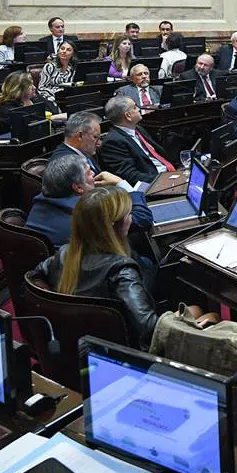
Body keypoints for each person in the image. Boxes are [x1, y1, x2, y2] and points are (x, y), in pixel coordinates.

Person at [32, 187, 166, 345]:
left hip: (75, 344)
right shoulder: (122, 271)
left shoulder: (64, 254)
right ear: (115, 226)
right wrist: (175, 319)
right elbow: (149, 330)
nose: (131, 219)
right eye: (129, 215)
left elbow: (34, 277)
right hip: (124, 356)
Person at [27, 151, 152, 249]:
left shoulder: (39, 201)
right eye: (88, 172)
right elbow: (142, 218)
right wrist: (121, 183)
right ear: (78, 187)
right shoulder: (89, 211)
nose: (93, 174)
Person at [99, 96, 174, 187]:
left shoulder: (138, 128)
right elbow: (130, 176)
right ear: (128, 116)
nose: (139, 109)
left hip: (168, 173)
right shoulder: (113, 142)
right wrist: (163, 180)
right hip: (154, 183)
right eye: (135, 107)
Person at [0, 70, 64, 126]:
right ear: (19, 90)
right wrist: (53, 118)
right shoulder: (8, 108)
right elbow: (29, 124)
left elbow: (54, 111)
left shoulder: (36, 98)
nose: (34, 87)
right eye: (30, 85)